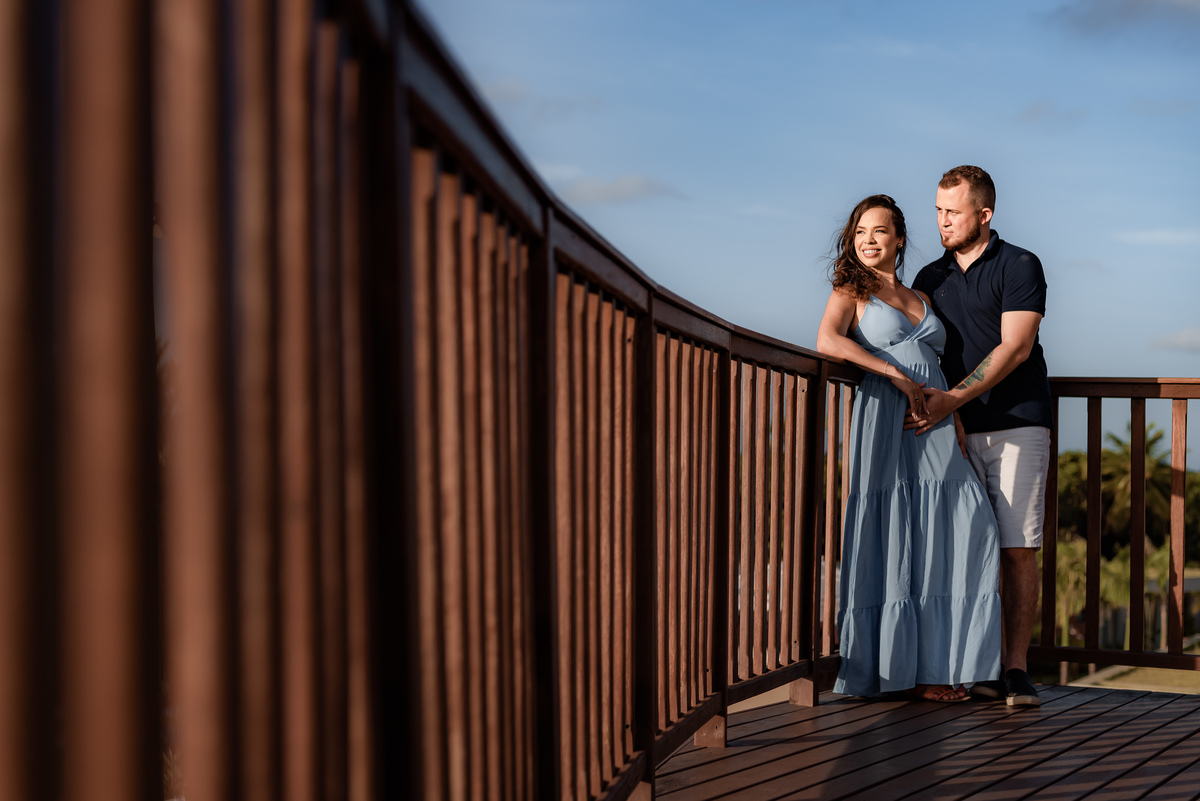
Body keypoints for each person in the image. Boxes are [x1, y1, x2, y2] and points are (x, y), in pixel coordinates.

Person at [817, 194, 1002, 703]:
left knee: (967, 526)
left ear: (899, 238)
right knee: (896, 530)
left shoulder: (920, 293)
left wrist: (955, 415)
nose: (868, 240)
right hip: (888, 415)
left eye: (879, 231)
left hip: (935, 419)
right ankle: (903, 669)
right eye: (860, 232)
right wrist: (892, 372)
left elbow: (935, 362)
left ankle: (944, 663)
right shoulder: (850, 289)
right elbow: (828, 341)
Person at [909, 165, 1052, 707]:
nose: (942, 221)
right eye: (938, 211)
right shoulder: (928, 277)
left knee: (1016, 549)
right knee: (963, 549)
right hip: (956, 429)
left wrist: (952, 399)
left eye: (953, 211)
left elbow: (1015, 346)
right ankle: (973, 664)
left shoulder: (1020, 264)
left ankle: (1014, 669)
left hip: (1018, 424)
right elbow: (920, 351)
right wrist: (950, 413)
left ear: (984, 214)